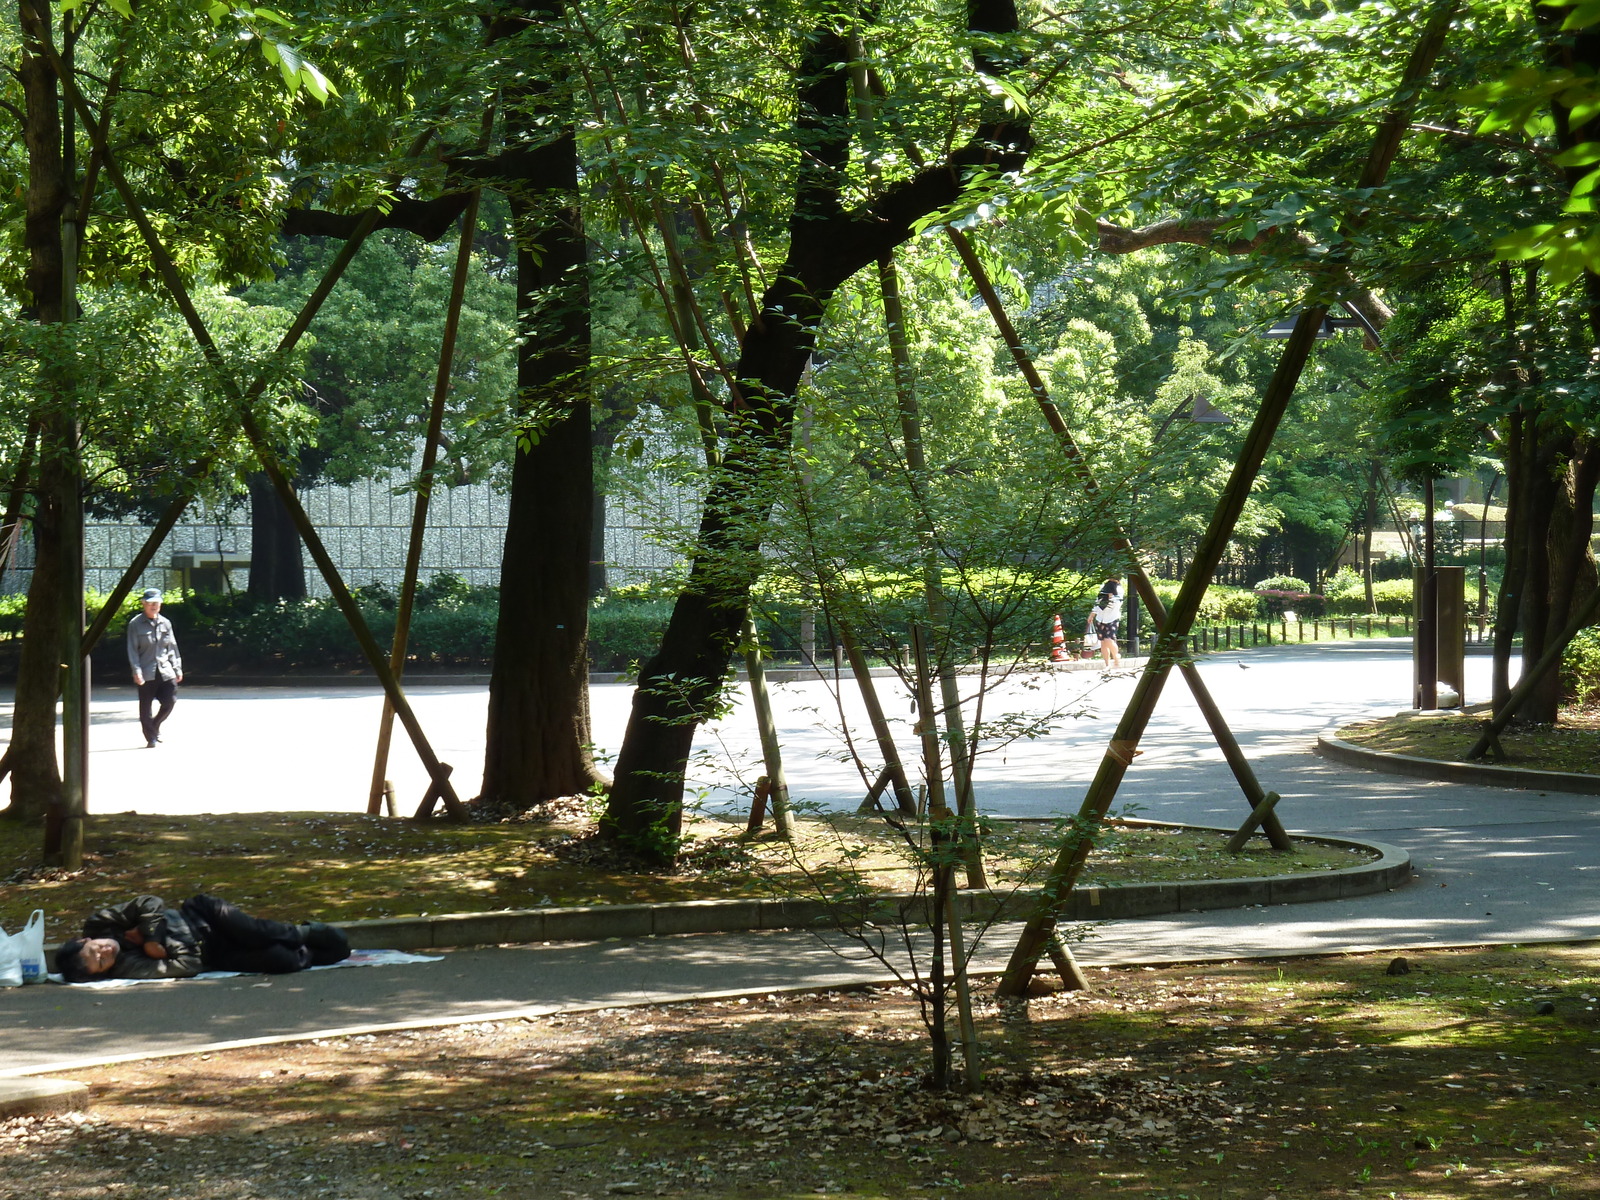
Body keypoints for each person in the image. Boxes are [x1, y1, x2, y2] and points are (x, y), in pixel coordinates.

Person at [53, 894, 350, 983]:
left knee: (254, 931)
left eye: (95, 950)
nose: (106, 952)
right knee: (281, 960)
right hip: (214, 953)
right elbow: (188, 965)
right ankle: (312, 952)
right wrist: (154, 944)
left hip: (201, 915)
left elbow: (149, 903)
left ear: (84, 940)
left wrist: (153, 938)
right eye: (102, 962)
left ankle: (305, 932)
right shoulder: (129, 967)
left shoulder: (99, 923)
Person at [127, 586, 182, 748]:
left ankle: (154, 725)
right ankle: (150, 737)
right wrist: (136, 671)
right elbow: (132, 649)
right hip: (145, 671)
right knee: (145, 707)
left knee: (170, 701)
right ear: (144, 603)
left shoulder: (166, 623)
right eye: (151, 603)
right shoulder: (135, 624)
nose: (154, 606)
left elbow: (172, 647)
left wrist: (177, 668)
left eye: (157, 603)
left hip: (165, 670)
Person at [1086, 573, 1124, 669]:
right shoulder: (1104, 587)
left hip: (1112, 618)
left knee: (1109, 639)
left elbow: (1117, 603)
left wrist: (1110, 597)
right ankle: (1107, 664)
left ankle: (1116, 657)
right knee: (1102, 642)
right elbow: (1098, 601)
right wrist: (1092, 614)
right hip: (1100, 618)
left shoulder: (1119, 590)